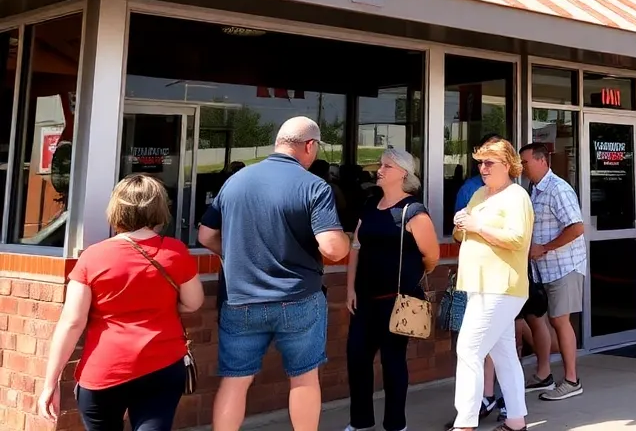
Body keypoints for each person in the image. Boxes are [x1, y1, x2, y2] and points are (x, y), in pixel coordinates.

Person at [198, 117, 350, 431]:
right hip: (298, 298)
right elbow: (333, 249)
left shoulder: (236, 181)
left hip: (240, 300)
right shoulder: (314, 186)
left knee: (235, 381)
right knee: (304, 378)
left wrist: (238, 253)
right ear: (309, 146)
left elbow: (205, 235)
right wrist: (347, 239)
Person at [37, 175, 204, 431]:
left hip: (104, 369)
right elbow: (193, 303)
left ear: (117, 208)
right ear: (160, 208)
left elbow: (72, 322)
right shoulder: (175, 251)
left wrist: (51, 383)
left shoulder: (93, 257)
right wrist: (159, 306)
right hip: (163, 364)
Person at [345, 147, 439, 431]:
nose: (380, 170)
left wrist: (410, 277)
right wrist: (350, 289)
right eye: (381, 165)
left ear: (403, 173)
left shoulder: (414, 212)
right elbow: (356, 248)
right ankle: (361, 422)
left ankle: (396, 424)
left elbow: (431, 257)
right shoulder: (371, 206)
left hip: (396, 301)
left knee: (393, 362)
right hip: (364, 299)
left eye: (387, 166)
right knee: (357, 358)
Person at [450, 139, 534, 431]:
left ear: (507, 165)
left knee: (469, 350)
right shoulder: (479, 194)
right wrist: (461, 225)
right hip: (479, 284)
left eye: (489, 163)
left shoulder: (517, 196)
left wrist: (478, 226)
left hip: (501, 285)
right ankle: (516, 421)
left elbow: (518, 239)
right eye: (480, 163)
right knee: (504, 354)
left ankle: (465, 424)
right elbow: (462, 235)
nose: (482, 168)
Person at [519, 142, 586, 401]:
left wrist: (544, 248)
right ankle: (544, 374)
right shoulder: (533, 190)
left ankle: (571, 380)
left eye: (525, 162)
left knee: (559, 320)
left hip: (563, 266)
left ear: (542, 160)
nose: (522, 168)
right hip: (541, 270)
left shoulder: (559, 189)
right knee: (538, 319)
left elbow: (576, 227)